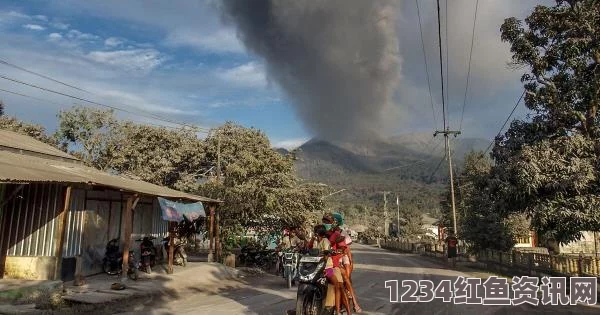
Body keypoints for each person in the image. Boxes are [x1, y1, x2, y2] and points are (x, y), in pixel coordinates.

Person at [328, 212, 362, 313]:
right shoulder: (324, 234)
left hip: (334, 264)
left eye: (328, 221)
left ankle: (352, 305)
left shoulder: (340, 234)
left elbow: (345, 249)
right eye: (325, 221)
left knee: (344, 281)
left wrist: (349, 262)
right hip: (328, 265)